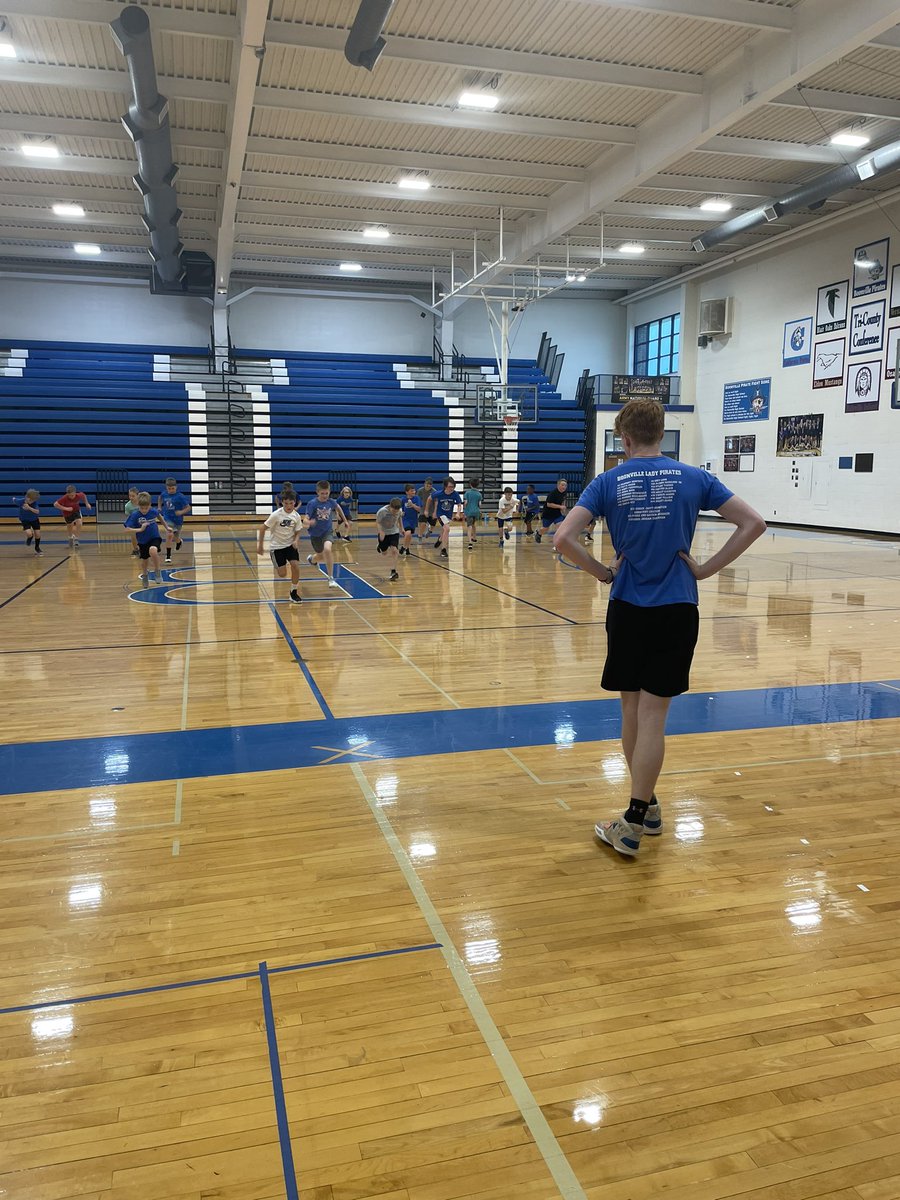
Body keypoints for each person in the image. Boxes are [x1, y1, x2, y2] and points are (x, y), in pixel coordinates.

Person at [553, 399, 766, 858]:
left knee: (632, 712)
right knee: (654, 715)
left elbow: (563, 538)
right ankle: (646, 807)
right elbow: (753, 523)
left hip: (628, 607)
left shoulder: (607, 481)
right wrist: (705, 569)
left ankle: (631, 822)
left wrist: (603, 572)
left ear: (625, 439)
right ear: (662, 432)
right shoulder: (695, 478)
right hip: (677, 607)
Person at [257, 490, 303, 603]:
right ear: (282, 502)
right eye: (286, 503)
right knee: (282, 574)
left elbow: (298, 531)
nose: (289, 506)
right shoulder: (276, 515)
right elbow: (262, 528)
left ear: (295, 503)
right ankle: (280, 563)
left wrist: (296, 540)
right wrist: (260, 546)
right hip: (277, 547)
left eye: (291, 503)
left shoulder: (296, 516)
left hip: (290, 545)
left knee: (295, 566)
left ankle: (293, 592)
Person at [304, 479, 349, 589]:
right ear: (317, 492)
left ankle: (331, 578)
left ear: (329, 492)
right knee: (320, 555)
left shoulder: (331, 502)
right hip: (315, 535)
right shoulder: (312, 504)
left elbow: (338, 508)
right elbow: (305, 519)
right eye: (322, 493)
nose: (325, 495)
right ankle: (312, 559)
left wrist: (345, 520)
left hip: (327, 532)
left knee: (327, 550)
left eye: (326, 493)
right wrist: (308, 522)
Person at [124, 491, 169, 585]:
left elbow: (159, 517)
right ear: (138, 505)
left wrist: (167, 527)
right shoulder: (135, 515)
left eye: (146, 508)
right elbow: (127, 529)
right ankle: (145, 575)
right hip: (142, 541)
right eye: (142, 508)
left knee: (153, 551)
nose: (144, 510)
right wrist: (140, 529)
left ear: (150, 505)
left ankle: (157, 571)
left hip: (154, 537)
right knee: (145, 560)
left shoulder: (153, 511)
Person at [158, 478, 191, 562]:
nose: (171, 490)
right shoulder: (164, 494)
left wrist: (181, 512)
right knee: (169, 535)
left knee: (175, 537)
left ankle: (179, 542)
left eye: (173, 488)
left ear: (176, 487)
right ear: (166, 487)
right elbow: (160, 498)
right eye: (169, 488)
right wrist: (159, 506)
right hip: (167, 518)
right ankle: (168, 556)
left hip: (178, 520)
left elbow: (188, 508)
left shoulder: (180, 496)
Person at [432, 477, 463, 559]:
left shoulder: (455, 494)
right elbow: (429, 498)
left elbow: (459, 505)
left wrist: (458, 513)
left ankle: (440, 539)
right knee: (447, 529)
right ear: (445, 486)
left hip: (448, 515)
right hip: (441, 514)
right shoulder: (439, 493)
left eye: (453, 486)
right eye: (450, 486)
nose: (451, 488)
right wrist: (429, 511)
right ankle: (443, 550)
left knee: (444, 530)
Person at [375, 497, 403, 581]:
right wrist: (380, 532)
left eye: (396, 511)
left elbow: (399, 518)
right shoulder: (382, 511)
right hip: (384, 533)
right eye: (393, 511)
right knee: (384, 553)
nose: (395, 513)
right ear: (390, 506)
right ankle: (380, 546)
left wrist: (402, 528)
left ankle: (393, 571)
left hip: (394, 532)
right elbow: (378, 522)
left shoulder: (399, 511)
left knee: (394, 550)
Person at [534, 478, 567, 543]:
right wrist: (560, 506)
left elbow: (563, 501)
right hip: (548, 514)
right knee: (545, 529)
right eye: (562, 485)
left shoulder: (564, 493)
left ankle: (558, 541)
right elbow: (549, 504)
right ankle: (539, 533)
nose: (564, 487)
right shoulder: (552, 493)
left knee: (560, 526)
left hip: (557, 513)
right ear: (558, 485)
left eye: (565, 485)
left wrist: (562, 508)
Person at [400, 483, 421, 557]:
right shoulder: (403, 499)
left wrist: (412, 505)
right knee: (408, 533)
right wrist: (401, 512)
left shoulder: (417, 498)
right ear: (407, 492)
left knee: (409, 535)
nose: (413, 492)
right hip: (405, 519)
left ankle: (407, 548)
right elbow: (401, 509)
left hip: (413, 520)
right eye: (411, 491)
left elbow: (419, 509)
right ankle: (403, 547)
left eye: (414, 490)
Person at [20, 489, 42, 555]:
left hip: (34, 519)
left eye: (33, 501)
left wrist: (29, 508)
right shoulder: (21, 501)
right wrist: (13, 499)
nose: (32, 502)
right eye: (31, 500)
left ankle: (37, 547)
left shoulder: (34, 503)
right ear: (27, 497)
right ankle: (30, 537)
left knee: (38, 534)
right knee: (29, 533)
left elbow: (37, 512)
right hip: (25, 520)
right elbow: (14, 499)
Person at [463, 479, 482, 550]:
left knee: (469, 526)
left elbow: (466, 502)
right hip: (476, 511)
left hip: (469, 511)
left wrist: (464, 509)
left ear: (470, 484)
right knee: (473, 524)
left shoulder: (467, 493)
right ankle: (474, 537)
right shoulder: (479, 494)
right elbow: (480, 504)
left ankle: (470, 542)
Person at [417, 478, 436, 543]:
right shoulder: (420, 491)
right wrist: (419, 508)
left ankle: (430, 531)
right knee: (423, 523)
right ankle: (420, 536)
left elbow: (436, 502)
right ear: (424, 484)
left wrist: (435, 512)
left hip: (431, 510)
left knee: (433, 524)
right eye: (427, 484)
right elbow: (418, 499)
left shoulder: (434, 491)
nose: (428, 486)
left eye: (430, 485)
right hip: (423, 510)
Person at [124, 487, 140, 556]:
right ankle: (135, 549)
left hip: (142, 521)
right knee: (133, 535)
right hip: (133, 522)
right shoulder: (128, 506)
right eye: (130, 496)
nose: (131, 497)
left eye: (133, 496)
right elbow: (128, 516)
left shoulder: (142, 502)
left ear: (137, 495)